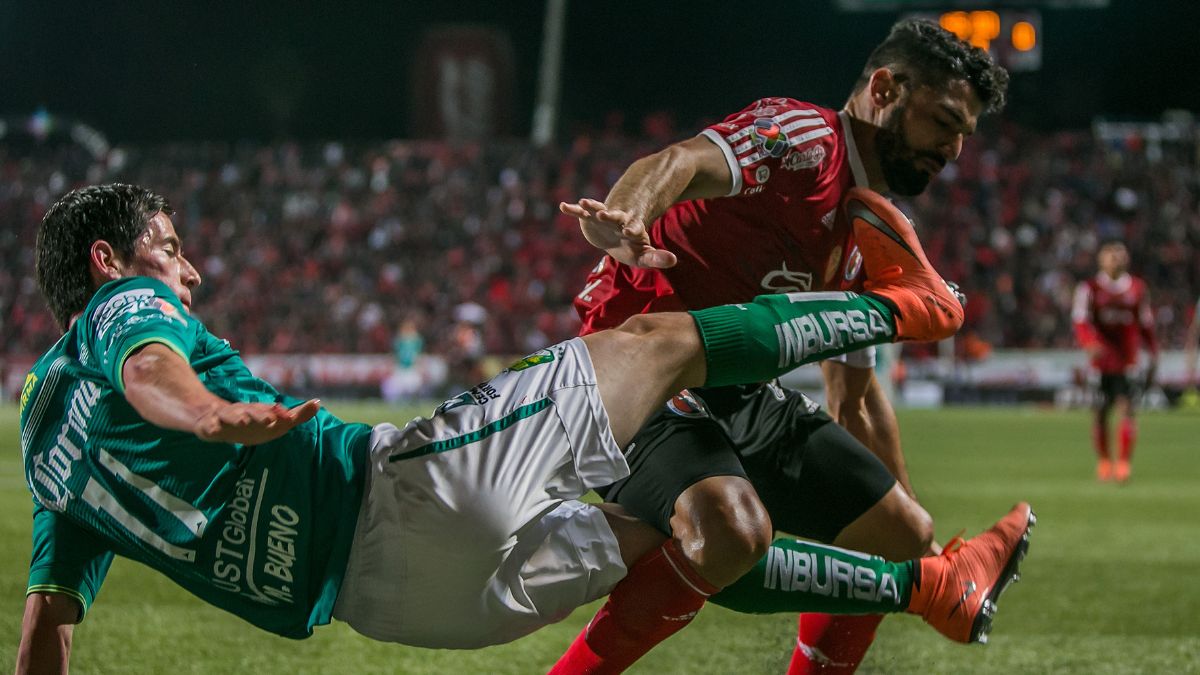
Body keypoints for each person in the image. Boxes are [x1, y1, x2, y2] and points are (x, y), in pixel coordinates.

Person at [17, 184, 1032, 673]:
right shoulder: (122, 310)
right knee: (662, 341)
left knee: (694, 545)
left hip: (412, 613)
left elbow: (44, 630)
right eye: (170, 251)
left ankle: (927, 588)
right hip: (400, 498)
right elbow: (153, 371)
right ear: (109, 261)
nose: (187, 274)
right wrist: (210, 413)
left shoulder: (45, 462)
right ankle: (912, 309)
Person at [553, 18, 1009, 674]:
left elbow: (853, 396)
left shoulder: (871, 231)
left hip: (737, 391)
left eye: (964, 133)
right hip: (636, 379)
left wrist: (928, 550)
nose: (955, 148)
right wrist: (625, 218)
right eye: (944, 121)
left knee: (902, 538)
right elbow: (673, 162)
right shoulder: (802, 140)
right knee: (730, 530)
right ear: (883, 87)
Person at [1071, 239, 1158, 483]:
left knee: (1127, 409)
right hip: (1100, 361)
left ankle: (1123, 464)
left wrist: (1153, 353)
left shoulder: (1138, 288)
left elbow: (1146, 324)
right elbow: (1080, 320)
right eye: (1111, 255)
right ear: (1101, 259)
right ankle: (1104, 461)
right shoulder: (1089, 288)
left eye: (1120, 254)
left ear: (1127, 259)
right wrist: (1089, 342)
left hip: (1127, 360)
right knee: (1100, 412)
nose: (1116, 259)